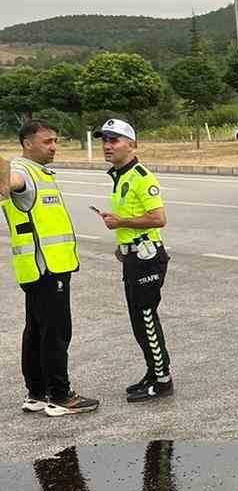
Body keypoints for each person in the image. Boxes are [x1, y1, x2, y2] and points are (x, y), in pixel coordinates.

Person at [1, 119, 99, 415]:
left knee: (36, 330)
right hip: (46, 268)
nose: (54, 146)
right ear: (27, 143)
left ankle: (37, 393)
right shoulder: (22, 172)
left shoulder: (39, 173)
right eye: (47, 142)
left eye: (55, 140)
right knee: (56, 332)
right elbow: (10, 181)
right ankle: (59, 395)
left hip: (38, 268)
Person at [93, 117, 174, 401]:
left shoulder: (141, 177)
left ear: (132, 144)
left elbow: (158, 218)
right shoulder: (120, 177)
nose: (107, 146)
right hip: (133, 257)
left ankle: (162, 380)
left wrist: (121, 222)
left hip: (147, 258)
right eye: (104, 140)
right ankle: (153, 371)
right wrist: (122, 244)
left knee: (146, 317)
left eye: (113, 140)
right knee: (138, 320)